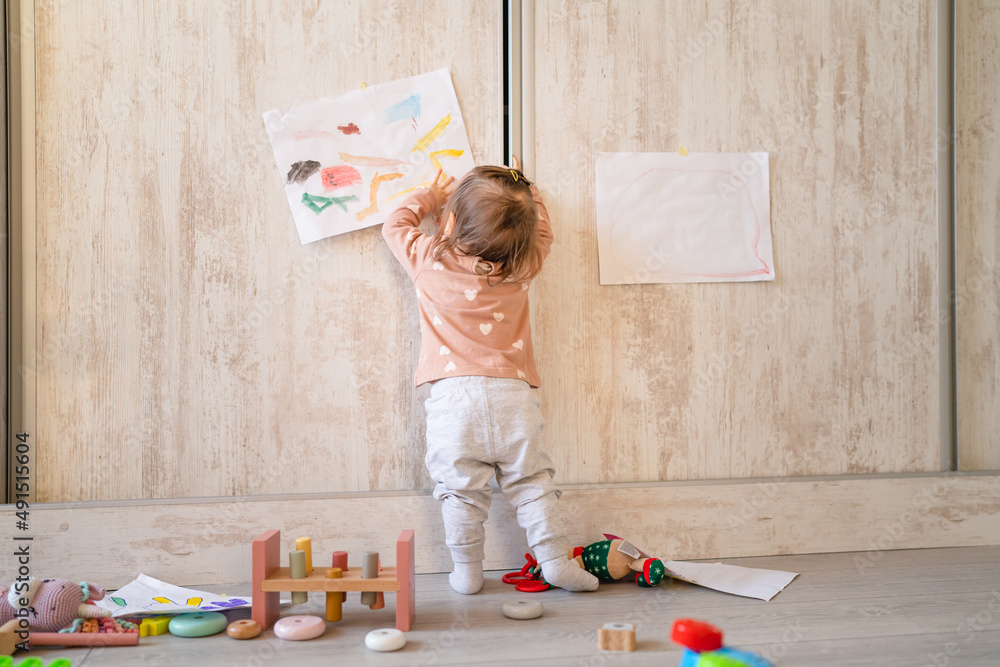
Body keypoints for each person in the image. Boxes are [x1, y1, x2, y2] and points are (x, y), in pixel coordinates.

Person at [381, 158, 598, 595]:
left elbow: (395, 225)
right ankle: (554, 560)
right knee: (533, 483)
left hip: (452, 401)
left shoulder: (427, 259)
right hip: (511, 396)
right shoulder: (522, 267)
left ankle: (467, 570)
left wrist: (431, 197)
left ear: (453, 219)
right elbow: (542, 233)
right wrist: (527, 190)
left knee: (460, 493)